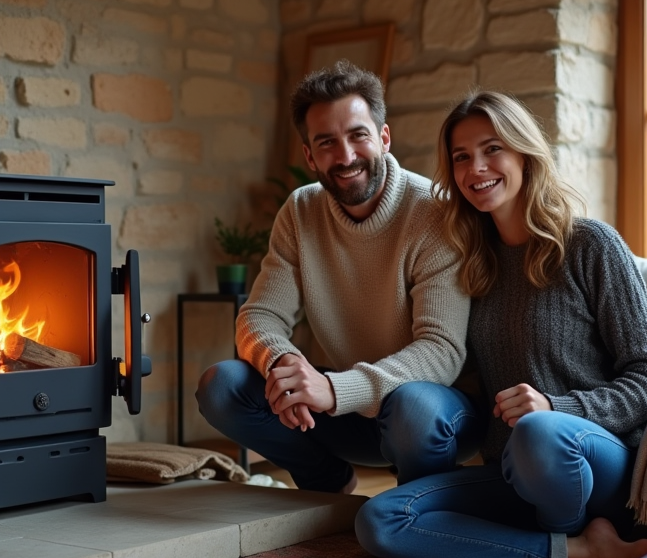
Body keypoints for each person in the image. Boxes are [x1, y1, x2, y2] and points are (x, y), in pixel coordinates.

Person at [355, 91, 647, 558]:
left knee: (539, 432)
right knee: (380, 518)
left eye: (492, 149)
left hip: (594, 462)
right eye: (461, 157)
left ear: (524, 152)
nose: (476, 167)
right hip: (511, 469)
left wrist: (558, 407)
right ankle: (572, 550)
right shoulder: (471, 265)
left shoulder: (590, 244)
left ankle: (575, 526)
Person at [196, 61, 483, 494]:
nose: (345, 156)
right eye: (327, 143)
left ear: (384, 138)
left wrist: (334, 388)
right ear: (309, 155)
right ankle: (326, 483)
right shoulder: (300, 211)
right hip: (345, 410)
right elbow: (257, 317)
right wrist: (283, 365)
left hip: (434, 414)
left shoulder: (435, 213)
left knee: (414, 407)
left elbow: (440, 352)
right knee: (222, 387)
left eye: (358, 135)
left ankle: (419, 503)